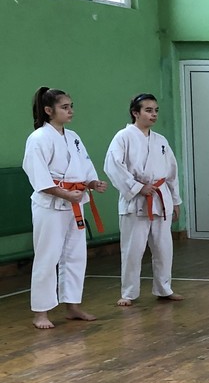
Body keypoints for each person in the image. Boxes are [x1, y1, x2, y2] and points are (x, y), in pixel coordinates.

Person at [23, 87, 109, 329]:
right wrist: (65, 194)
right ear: (48, 110)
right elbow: (39, 177)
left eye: (71, 106)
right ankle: (40, 312)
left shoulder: (73, 136)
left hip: (75, 202)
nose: (70, 111)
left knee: (75, 255)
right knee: (47, 257)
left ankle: (72, 306)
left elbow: (84, 166)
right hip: (50, 206)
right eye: (65, 107)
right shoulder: (38, 138)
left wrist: (92, 183)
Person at [105, 93, 183, 307]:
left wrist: (176, 200)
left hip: (161, 197)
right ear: (135, 113)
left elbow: (172, 172)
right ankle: (128, 292)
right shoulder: (123, 137)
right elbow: (113, 167)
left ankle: (164, 288)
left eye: (156, 110)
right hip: (136, 201)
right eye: (148, 110)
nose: (154, 114)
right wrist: (139, 187)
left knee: (164, 248)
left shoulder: (160, 140)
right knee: (133, 249)